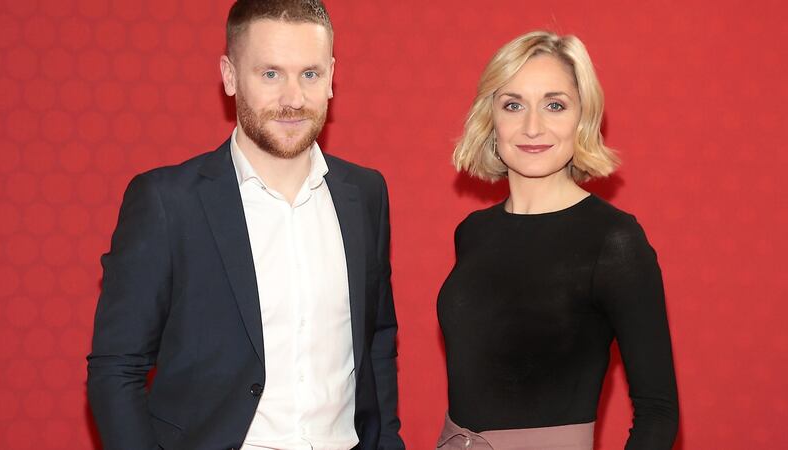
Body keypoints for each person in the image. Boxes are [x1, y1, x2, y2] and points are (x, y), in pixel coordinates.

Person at [86, 1, 404, 449]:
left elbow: (376, 343)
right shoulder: (166, 202)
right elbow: (115, 369)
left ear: (332, 76)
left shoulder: (365, 194)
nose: (293, 98)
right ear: (231, 76)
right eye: (270, 74)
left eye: (309, 74)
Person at [436, 31, 678, 449]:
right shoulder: (473, 232)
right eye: (513, 105)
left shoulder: (615, 241)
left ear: (582, 119)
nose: (533, 126)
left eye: (554, 105)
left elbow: (658, 412)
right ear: (490, 120)